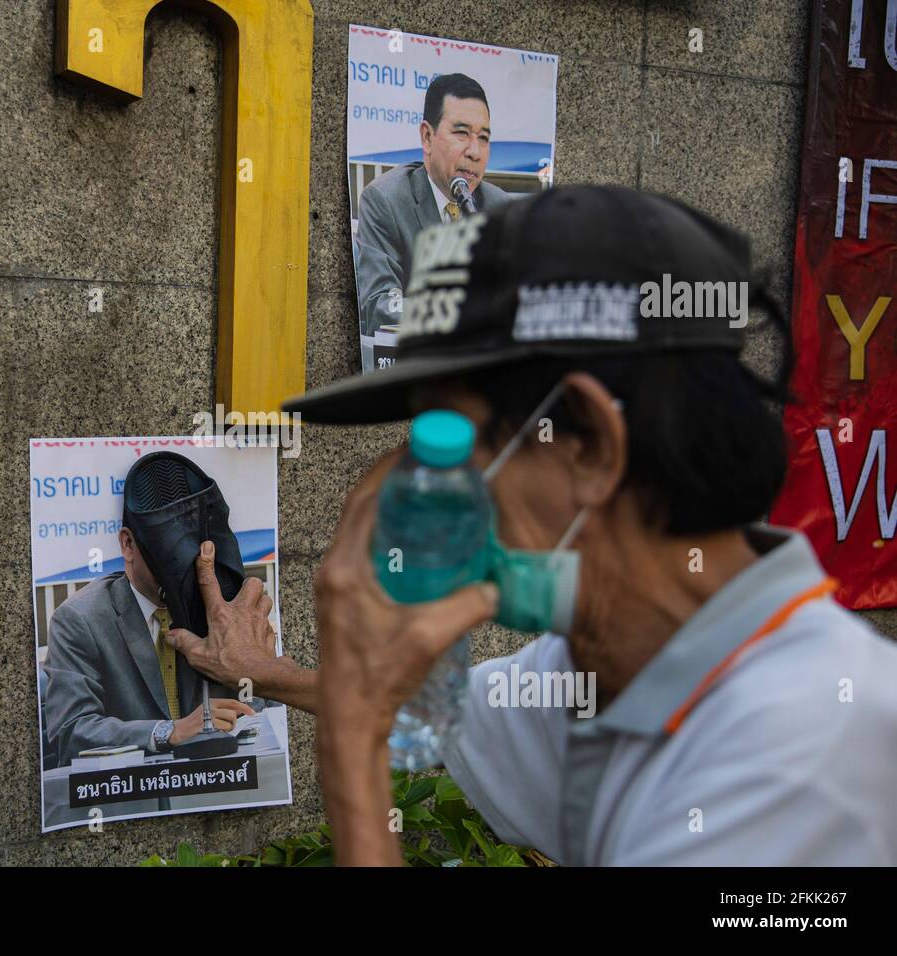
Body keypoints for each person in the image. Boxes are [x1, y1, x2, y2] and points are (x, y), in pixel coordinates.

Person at [169, 185, 897, 866]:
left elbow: (369, 718)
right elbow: (425, 708)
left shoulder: (808, 756)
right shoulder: (596, 662)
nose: (418, 495)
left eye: (446, 446)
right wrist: (262, 672)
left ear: (589, 444)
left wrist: (353, 755)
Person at [42, 528, 256, 765]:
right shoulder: (79, 619)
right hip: (130, 792)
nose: (181, 561)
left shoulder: (221, 609)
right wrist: (168, 731)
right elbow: (72, 733)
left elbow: (260, 701)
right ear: (128, 544)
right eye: (168, 545)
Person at [355, 73, 513, 340]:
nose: (475, 152)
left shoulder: (500, 207)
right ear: (427, 137)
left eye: (484, 138)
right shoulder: (386, 200)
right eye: (462, 133)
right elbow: (378, 307)